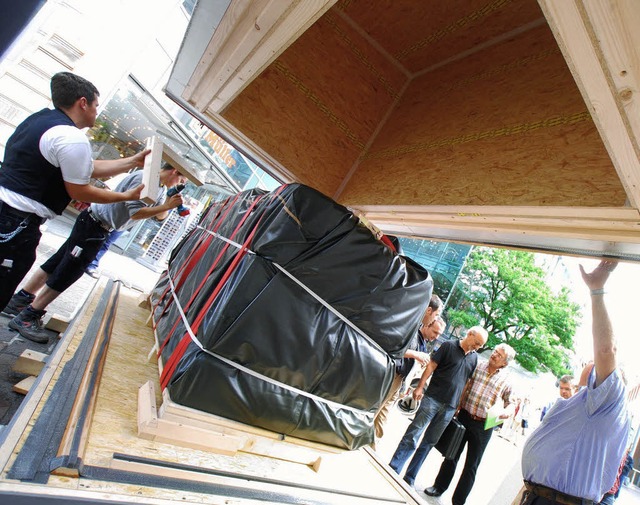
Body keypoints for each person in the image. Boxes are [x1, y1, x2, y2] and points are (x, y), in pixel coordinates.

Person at [0, 72, 147, 312]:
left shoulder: (41, 120)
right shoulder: (71, 137)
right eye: (96, 106)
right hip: (14, 223)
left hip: (9, 214)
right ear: (83, 103)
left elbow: (86, 168)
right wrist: (126, 197)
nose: (97, 112)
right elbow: (80, 191)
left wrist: (133, 161)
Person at [4, 164, 185, 343]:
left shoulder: (159, 186)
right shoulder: (145, 180)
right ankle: (28, 316)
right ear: (175, 171)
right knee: (68, 271)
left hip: (94, 225)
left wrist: (168, 203)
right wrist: (164, 206)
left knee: (57, 262)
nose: (181, 184)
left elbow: (158, 217)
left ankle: (21, 300)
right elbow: (136, 213)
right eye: (182, 180)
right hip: (94, 226)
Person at [520, 260, 631, 504]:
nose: (590, 365)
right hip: (541, 495)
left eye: (592, 378)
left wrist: (597, 290)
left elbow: (605, 350)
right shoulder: (594, 403)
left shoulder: (607, 399)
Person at [389, 325, 488, 487]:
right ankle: (394, 468)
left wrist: (459, 404)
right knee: (413, 434)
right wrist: (420, 387)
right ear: (470, 334)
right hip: (432, 399)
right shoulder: (449, 345)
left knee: (428, 443)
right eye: (477, 343)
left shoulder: (474, 358)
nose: (478, 347)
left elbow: (466, 382)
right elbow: (431, 366)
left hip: (450, 407)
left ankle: (410, 477)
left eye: (480, 345)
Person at [425, 343, 516, 504]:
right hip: (464, 417)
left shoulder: (507, 380)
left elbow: (512, 403)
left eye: (499, 355)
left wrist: (507, 412)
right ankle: (438, 487)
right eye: (495, 351)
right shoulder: (478, 366)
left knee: (471, 465)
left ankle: (458, 501)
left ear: (505, 363)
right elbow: (464, 385)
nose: (494, 355)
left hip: (484, 425)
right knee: (451, 455)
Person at [373, 294, 444, 443]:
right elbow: (394, 348)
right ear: (429, 311)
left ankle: (372, 446)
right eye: (436, 315)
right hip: (391, 375)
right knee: (375, 411)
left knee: (382, 416)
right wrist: (416, 355)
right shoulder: (411, 325)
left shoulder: (421, 340)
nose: (436, 337)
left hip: (399, 380)